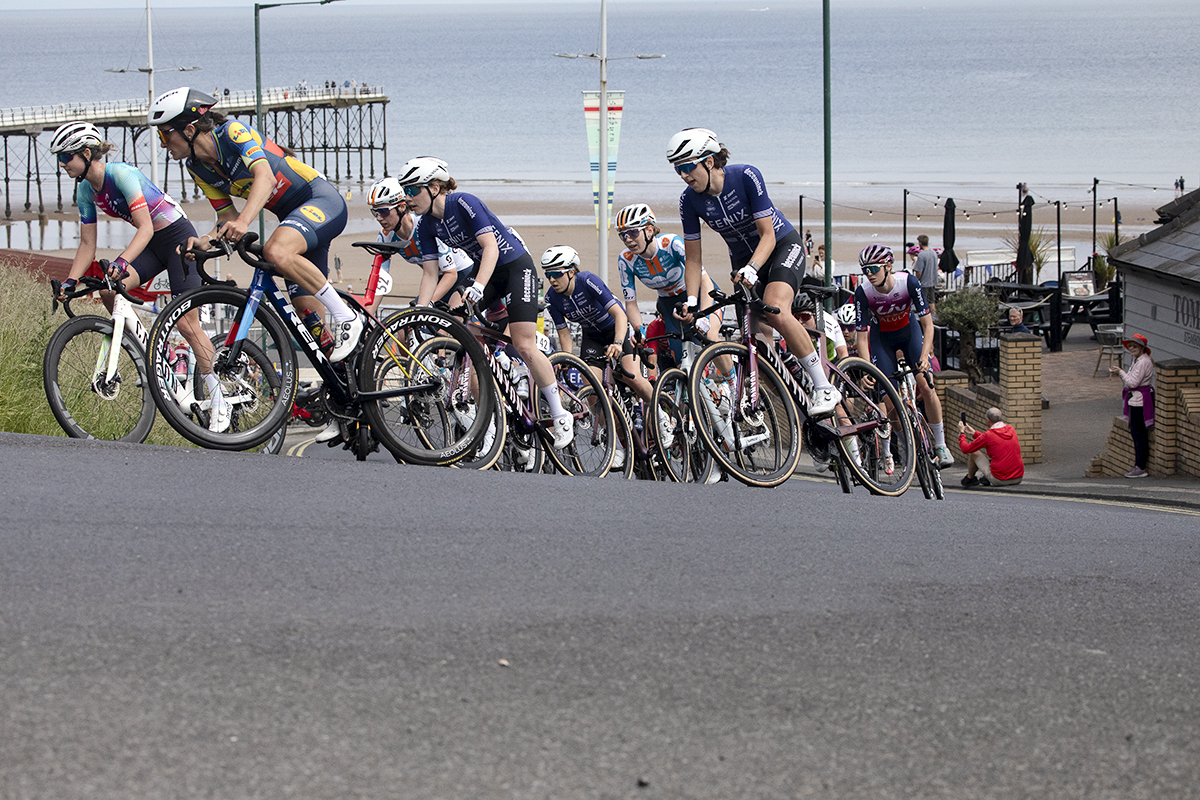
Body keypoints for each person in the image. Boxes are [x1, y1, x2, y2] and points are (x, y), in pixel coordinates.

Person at [148, 87, 364, 364]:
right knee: (309, 321)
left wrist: (243, 221)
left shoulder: (233, 133)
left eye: (164, 134)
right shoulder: (196, 167)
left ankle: (348, 317)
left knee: (275, 251)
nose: (163, 143)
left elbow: (265, 178)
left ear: (188, 130)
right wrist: (205, 240)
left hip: (319, 200)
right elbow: (225, 217)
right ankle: (347, 385)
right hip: (294, 221)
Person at [48, 121, 230, 432]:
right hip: (153, 245)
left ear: (86, 153)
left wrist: (121, 260)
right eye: (60, 159)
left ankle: (219, 398)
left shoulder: (121, 175)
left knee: (187, 323)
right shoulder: (84, 190)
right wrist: (69, 282)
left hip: (176, 237)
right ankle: (160, 354)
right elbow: (87, 244)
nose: (62, 164)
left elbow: (146, 227)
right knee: (108, 290)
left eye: (65, 157)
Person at [395, 156, 573, 448]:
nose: (408, 198)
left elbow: (489, 247)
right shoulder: (426, 225)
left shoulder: (464, 202)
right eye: (405, 191)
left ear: (435, 187)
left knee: (524, 343)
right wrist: (421, 309)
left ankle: (559, 412)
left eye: (413, 190)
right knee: (455, 323)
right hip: (486, 273)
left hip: (515, 267)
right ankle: (487, 417)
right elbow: (430, 272)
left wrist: (477, 286)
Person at [668, 127, 840, 416]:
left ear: (709, 161)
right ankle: (801, 403)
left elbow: (768, 235)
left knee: (775, 309)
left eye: (687, 167)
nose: (684, 176)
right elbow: (694, 259)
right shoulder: (689, 200)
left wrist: (752, 268)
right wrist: (692, 302)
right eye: (678, 170)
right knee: (758, 351)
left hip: (780, 246)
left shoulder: (746, 176)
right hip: (743, 265)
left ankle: (824, 386)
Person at [542, 245, 657, 468]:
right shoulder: (552, 298)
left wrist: (617, 341)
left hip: (616, 329)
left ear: (571, 271)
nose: (552, 280)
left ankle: (659, 411)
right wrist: (566, 359)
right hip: (592, 337)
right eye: (548, 275)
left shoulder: (587, 280)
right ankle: (615, 443)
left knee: (632, 376)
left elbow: (618, 313)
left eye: (556, 273)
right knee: (593, 388)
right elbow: (564, 334)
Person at [853, 244, 953, 471]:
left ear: (888, 266)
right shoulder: (863, 292)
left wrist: (926, 355)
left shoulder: (908, 282)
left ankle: (940, 445)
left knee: (926, 387)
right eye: (864, 270)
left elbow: (928, 325)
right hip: (883, 341)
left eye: (873, 268)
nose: (869, 274)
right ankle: (906, 446)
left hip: (910, 334)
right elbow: (861, 337)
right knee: (890, 401)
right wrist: (867, 367)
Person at [613, 203, 722, 368]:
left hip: (700, 295)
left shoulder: (671, 244)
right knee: (682, 364)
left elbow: (705, 280)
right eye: (623, 235)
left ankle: (733, 384)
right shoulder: (626, 261)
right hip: (671, 306)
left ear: (649, 230)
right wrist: (638, 328)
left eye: (633, 232)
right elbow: (631, 302)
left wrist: (704, 316)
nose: (628, 239)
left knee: (710, 337)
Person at [365, 176, 473, 314]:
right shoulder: (386, 236)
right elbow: (380, 279)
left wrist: (427, 304)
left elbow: (450, 274)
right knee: (404, 331)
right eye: (375, 212)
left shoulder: (424, 226)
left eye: (384, 211)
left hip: (461, 274)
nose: (379, 218)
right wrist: (368, 315)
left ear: (402, 207)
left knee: (448, 326)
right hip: (436, 279)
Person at [1110, 333, 1154, 478]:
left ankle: (1140, 467)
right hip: (1135, 400)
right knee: (1136, 434)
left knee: (1139, 434)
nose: (1132, 348)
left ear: (1142, 347)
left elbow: (1133, 383)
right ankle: (1138, 465)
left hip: (1139, 402)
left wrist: (1121, 373)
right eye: (1130, 346)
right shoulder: (1137, 360)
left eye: (1135, 346)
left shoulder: (1142, 362)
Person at [958, 407, 1024, 487]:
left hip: (1000, 480)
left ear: (988, 420)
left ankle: (970, 479)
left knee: (974, 453)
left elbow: (966, 449)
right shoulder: (1011, 429)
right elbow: (993, 441)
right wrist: (974, 433)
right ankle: (986, 478)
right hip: (1018, 478)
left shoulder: (989, 435)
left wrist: (962, 433)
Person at [912, 234, 939, 314]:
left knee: (922, 302)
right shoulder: (934, 253)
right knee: (932, 301)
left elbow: (919, 272)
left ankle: (924, 318)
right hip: (933, 281)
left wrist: (916, 280)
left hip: (924, 282)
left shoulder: (921, 255)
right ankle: (934, 316)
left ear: (920, 243)